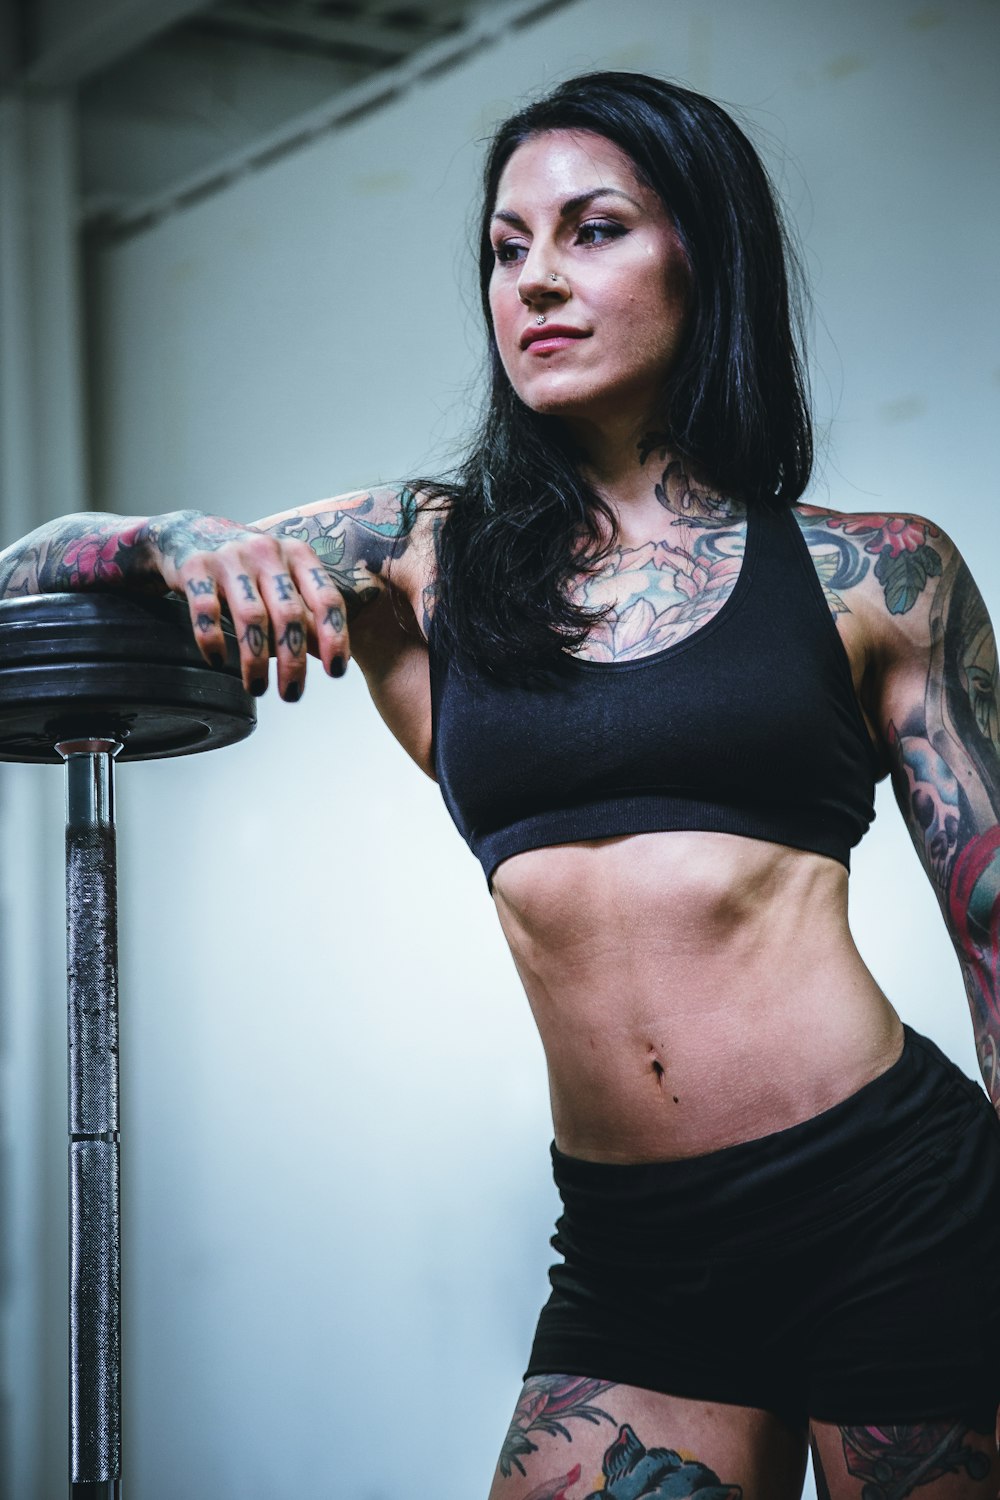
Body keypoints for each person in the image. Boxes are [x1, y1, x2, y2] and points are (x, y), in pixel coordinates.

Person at [1, 70, 998, 1500]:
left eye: (591, 230)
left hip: (902, 1209)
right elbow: (31, 573)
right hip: (637, 1253)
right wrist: (172, 537)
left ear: (699, 259)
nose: (535, 278)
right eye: (505, 245)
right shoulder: (426, 557)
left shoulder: (874, 571)